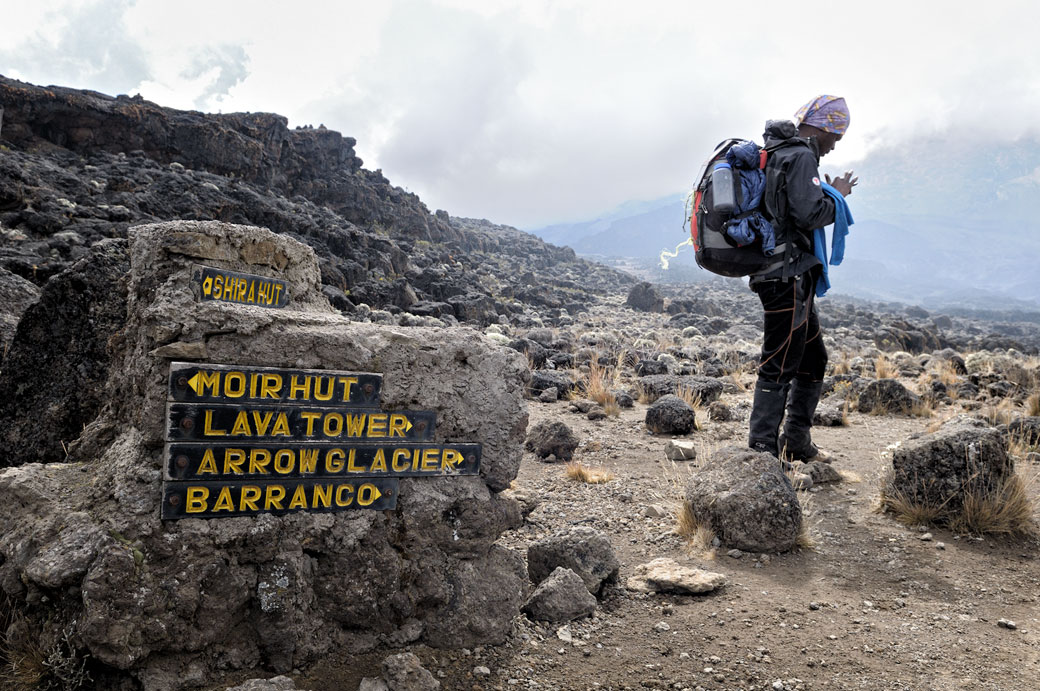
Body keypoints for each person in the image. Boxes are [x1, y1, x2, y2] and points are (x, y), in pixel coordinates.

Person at [747, 95, 857, 462]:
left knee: (813, 358)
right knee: (780, 360)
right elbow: (809, 214)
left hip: (784, 274)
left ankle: (796, 444)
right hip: (787, 276)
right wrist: (837, 196)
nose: (833, 146)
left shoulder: (779, 150)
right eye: (835, 138)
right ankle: (762, 450)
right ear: (824, 127)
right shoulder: (800, 154)